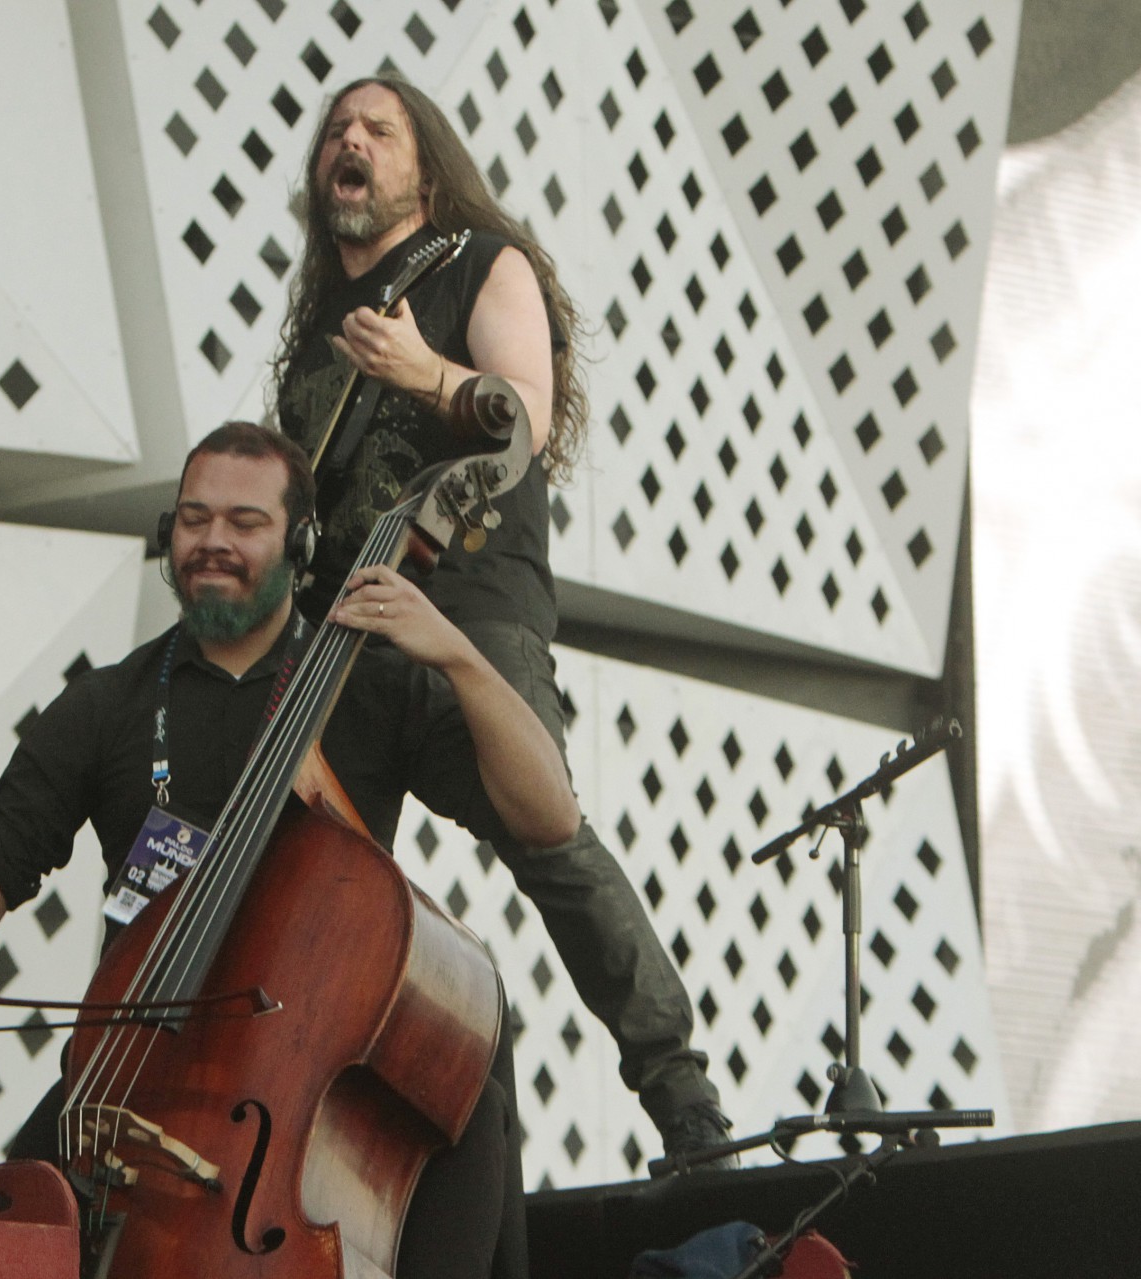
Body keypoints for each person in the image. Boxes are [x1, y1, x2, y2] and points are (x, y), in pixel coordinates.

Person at [0, 424, 579, 1279]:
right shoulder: (108, 703)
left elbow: (549, 816)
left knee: (469, 1120)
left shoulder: (370, 686)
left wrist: (460, 655)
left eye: (245, 521)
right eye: (193, 518)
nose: (212, 541)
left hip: (312, 1089)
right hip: (134, 1074)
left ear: (300, 542)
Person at [271, 75, 735, 1162]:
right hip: (341, 641)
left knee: (551, 838)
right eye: (338, 132)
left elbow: (520, 411)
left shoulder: (481, 263)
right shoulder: (316, 339)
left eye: (378, 131)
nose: (352, 142)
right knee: (302, 885)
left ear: (424, 167)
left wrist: (427, 371)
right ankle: (310, 1135)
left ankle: (683, 1101)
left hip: (469, 608)